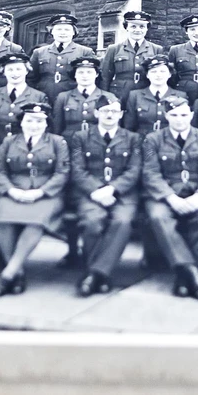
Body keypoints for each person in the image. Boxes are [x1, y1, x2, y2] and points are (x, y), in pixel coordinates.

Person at [141, 95, 198, 299]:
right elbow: (151, 173)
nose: (179, 119)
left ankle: (186, 275)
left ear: (192, 115)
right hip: (165, 195)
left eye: (184, 115)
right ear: (166, 115)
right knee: (159, 217)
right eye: (174, 115)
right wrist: (170, 198)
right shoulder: (153, 139)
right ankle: (192, 273)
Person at [0, 103, 70, 296]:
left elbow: (62, 172)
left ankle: (6, 275)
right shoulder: (9, 141)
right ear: (22, 122)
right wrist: (10, 190)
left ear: (46, 124)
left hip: (46, 194)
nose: (34, 125)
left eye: (39, 121)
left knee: (35, 222)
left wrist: (40, 192)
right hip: (14, 191)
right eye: (30, 120)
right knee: (3, 221)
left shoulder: (58, 142)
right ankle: (18, 272)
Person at [70, 94, 142, 296]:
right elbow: (77, 169)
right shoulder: (81, 137)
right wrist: (96, 190)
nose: (109, 115)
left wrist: (112, 189)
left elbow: (134, 170)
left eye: (114, 111)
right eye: (105, 111)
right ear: (96, 113)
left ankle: (94, 274)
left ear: (120, 114)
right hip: (90, 193)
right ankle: (102, 276)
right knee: (92, 221)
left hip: (123, 194)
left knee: (123, 221)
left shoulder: (132, 138)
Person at [98, 10, 164, 106]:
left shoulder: (156, 49)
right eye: (133, 26)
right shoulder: (114, 49)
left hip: (145, 92)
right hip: (119, 94)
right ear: (126, 28)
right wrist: (106, 98)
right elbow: (105, 76)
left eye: (142, 26)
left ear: (147, 29)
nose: (137, 30)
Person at [27, 13, 96, 104]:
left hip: (73, 100)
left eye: (67, 29)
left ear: (73, 32)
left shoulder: (85, 52)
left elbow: (94, 78)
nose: (62, 33)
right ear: (52, 32)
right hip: (44, 98)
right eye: (58, 29)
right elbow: (30, 78)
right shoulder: (39, 52)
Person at [0, 53, 49, 139]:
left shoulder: (39, 96)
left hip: (21, 145)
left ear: (27, 71)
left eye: (19, 69)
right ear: (4, 72)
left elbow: (44, 127)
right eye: (10, 70)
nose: (14, 73)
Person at [50, 56, 117, 139]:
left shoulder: (108, 97)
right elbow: (57, 127)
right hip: (70, 142)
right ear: (74, 75)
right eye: (80, 72)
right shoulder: (63, 97)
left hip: (97, 142)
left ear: (96, 74)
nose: (85, 76)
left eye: (89, 72)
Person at [123, 56, 178, 134]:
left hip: (169, 142)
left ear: (170, 74)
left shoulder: (180, 96)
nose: (158, 75)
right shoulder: (135, 96)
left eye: (162, 71)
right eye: (153, 72)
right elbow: (129, 126)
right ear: (147, 75)